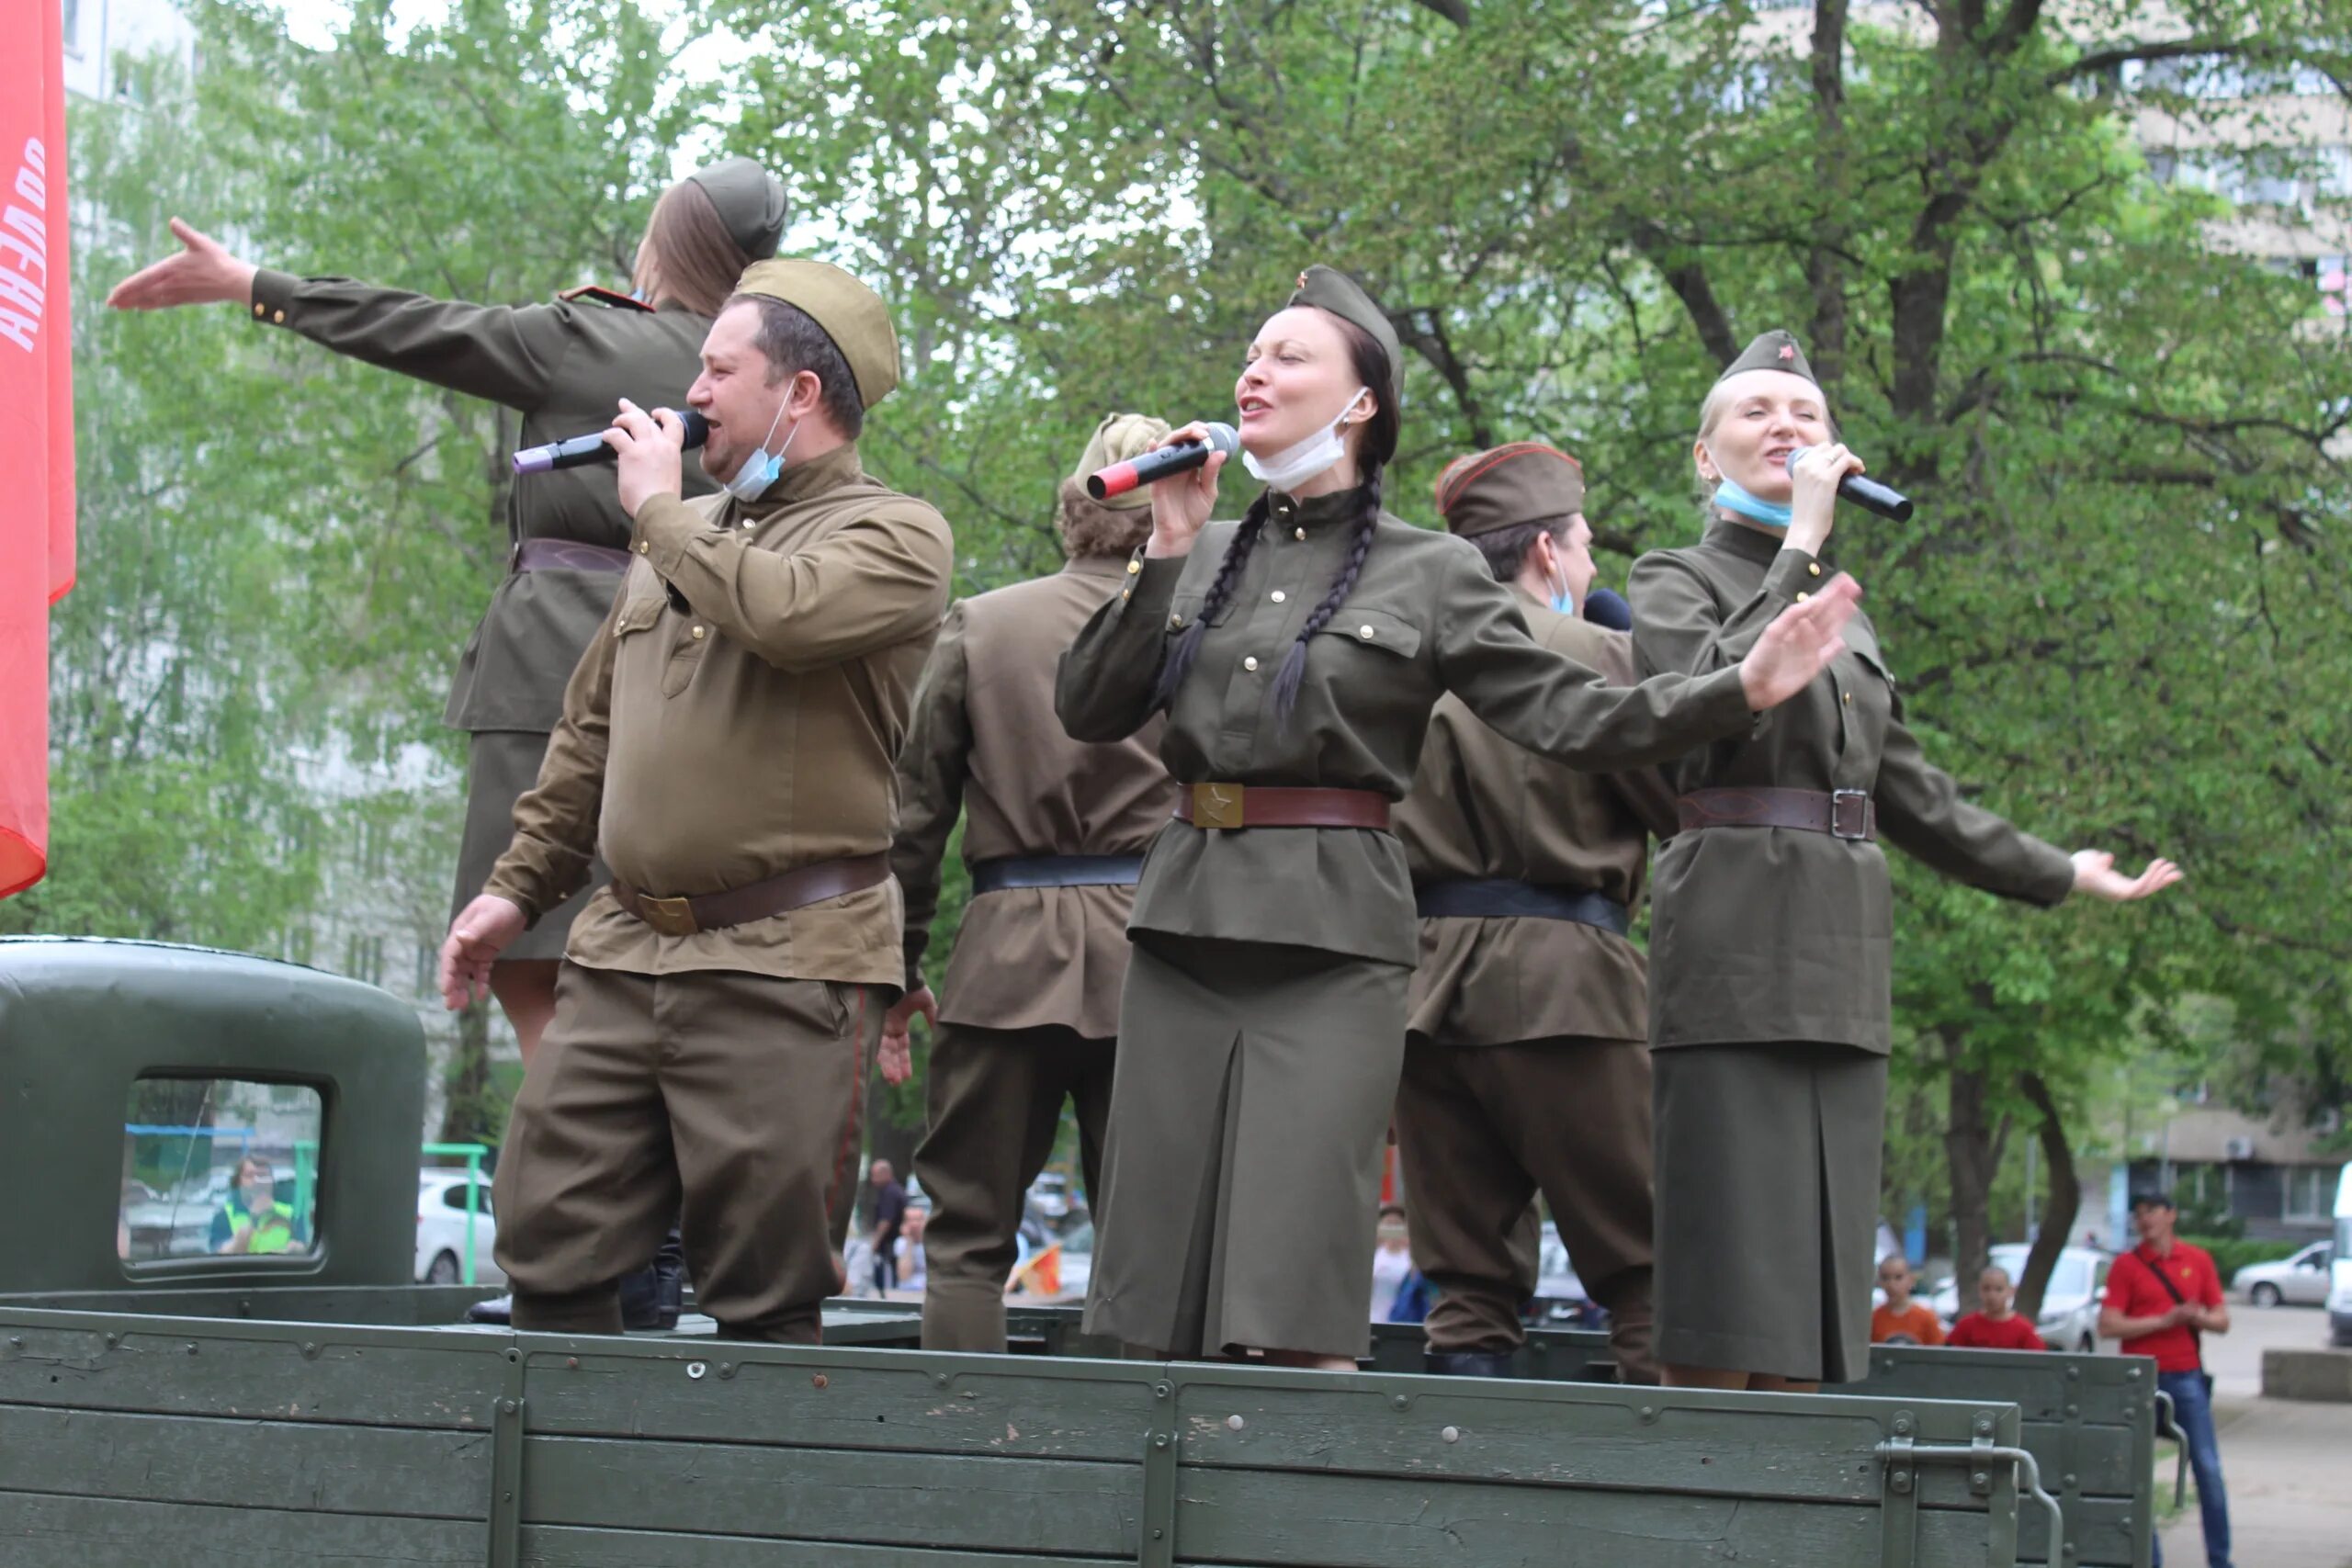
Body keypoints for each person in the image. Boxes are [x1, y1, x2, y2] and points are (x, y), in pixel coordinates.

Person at [1055, 265, 1864, 1368]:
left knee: (1295, 1294)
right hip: (1183, 919)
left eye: (1290, 355)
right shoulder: (1200, 550)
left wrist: (1738, 689)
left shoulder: (1427, 571)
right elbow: (1089, 708)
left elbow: (1576, 716)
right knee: (1146, 1287)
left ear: (1358, 404)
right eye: (1252, 350)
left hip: (1331, 937)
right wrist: (1161, 546)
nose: (1254, 369)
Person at [107, 159, 786, 1071]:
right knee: (653, 958)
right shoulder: (772, 384)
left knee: (531, 964)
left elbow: (414, 327)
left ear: (665, 240)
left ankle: (581, 1178)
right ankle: (641, 1180)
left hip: (550, 669)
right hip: (707, 687)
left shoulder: (590, 338)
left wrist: (252, 286)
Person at [1628, 330, 2183, 1393]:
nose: (1786, 428)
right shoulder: (1673, 577)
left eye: (1807, 417)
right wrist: (1798, 542)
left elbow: (1913, 794)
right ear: (1705, 458)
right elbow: (1700, 707)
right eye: (1756, 413)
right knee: (1724, 1271)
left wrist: (2058, 871)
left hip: (1842, 954)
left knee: (1810, 1286)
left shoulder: (1849, 615)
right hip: (1733, 936)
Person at [436, 259, 954, 1342]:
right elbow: (586, 742)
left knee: (763, 1288)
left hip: (782, 963)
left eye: (720, 369)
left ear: (800, 393)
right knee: (544, 1243)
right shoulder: (674, 535)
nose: (695, 391)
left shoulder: (896, 535)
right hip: (623, 955)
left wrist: (661, 517)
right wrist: (510, 893)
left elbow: (787, 616)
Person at [880, 412, 1180, 1351]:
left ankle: (958, 1451)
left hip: (1003, 961)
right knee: (1150, 1242)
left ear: (1075, 511)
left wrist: (898, 963)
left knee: (967, 1235)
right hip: (1155, 960)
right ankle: (1137, 1474)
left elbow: (914, 818)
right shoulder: (1200, 629)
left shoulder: (983, 623)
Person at [1391, 442, 1679, 1384]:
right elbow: (1674, 806)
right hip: (1567, 980)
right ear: (1548, 555)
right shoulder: (1596, 653)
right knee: (1648, 1264)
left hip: (1420, 986)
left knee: (1466, 1282)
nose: (1592, 566)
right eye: (1585, 546)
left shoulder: (1399, 661)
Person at [2101, 1191, 2233, 1568]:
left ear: (2171, 1214)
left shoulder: (2197, 1260)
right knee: (2137, 1472)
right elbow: (2108, 1324)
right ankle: (2150, 1559)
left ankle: (2221, 1560)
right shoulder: (2127, 1265)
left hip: (2186, 1374)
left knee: (2207, 1467)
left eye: (2152, 1212)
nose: (2145, 1220)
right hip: (2139, 1379)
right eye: (2139, 1214)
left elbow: (2222, 1320)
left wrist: (2196, 1318)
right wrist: (2164, 1320)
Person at [209, 1156, 303, 1257]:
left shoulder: (292, 1214)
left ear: (271, 1181)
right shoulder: (224, 1216)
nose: (257, 1182)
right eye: (250, 1176)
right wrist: (254, 1218)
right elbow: (222, 1256)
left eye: (262, 1175)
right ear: (238, 1183)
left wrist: (295, 1249)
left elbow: (306, 1249)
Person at [1948, 1264, 2046, 1350]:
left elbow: (2039, 1361)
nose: (1992, 1296)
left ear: (2010, 1291)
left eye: (1999, 1289)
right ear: (1979, 1290)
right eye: (1986, 1289)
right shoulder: (1966, 1326)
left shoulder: (2023, 1329)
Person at [1870, 1256, 1946, 1346]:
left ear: (1911, 1280)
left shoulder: (1926, 1318)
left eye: (1898, 1277)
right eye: (1885, 1278)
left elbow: (1939, 1353)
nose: (1891, 1284)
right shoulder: (1874, 1318)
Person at [867, 1158, 910, 1294]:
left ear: (885, 1174)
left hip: (889, 1246)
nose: (873, 1180)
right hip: (892, 1245)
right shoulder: (895, 1190)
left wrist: (874, 1243)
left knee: (888, 1284)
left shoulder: (890, 1193)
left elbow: (885, 1221)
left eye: (875, 1176)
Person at [1370, 1202, 1415, 1321]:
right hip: (1375, 1319)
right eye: (1388, 1224)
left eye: (1397, 1224)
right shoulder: (1375, 1255)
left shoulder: (1411, 1258)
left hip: (1403, 1320)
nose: (1393, 1229)